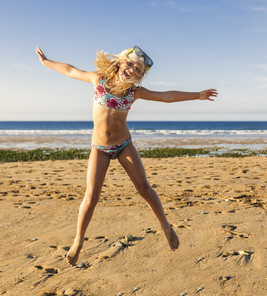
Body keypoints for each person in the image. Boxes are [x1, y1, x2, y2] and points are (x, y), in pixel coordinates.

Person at [35, 46, 218, 266]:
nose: (130, 69)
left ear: (139, 76)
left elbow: (167, 96)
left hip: (124, 146)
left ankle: (166, 227)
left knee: (144, 189)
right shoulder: (98, 80)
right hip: (99, 148)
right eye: (129, 64)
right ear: (121, 62)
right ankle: (78, 241)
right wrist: (47, 62)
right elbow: (70, 71)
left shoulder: (134, 93)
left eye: (136, 69)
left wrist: (197, 95)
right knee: (91, 196)